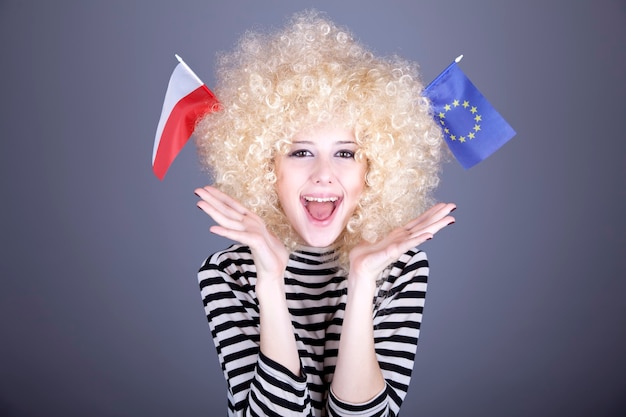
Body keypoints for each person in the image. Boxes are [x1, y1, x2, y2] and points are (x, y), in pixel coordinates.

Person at [193, 10, 455, 417]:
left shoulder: (401, 268)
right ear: (266, 168)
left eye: (346, 153)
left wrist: (364, 280)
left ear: (374, 169)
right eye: (300, 152)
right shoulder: (227, 273)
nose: (323, 175)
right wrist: (269, 282)